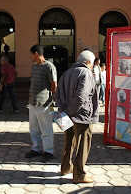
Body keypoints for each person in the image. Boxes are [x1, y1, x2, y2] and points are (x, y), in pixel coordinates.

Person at [55, 50, 99, 183]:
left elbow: (57, 95)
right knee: (82, 145)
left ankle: (66, 167)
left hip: (67, 115)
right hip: (81, 116)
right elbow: (81, 97)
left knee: (69, 142)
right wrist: (69, 111)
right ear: (88, 62)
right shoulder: (86, 73)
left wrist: (64, 111)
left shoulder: (66, 73)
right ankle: (79, 174)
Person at [26, 44, 57, 163]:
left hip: (44, 103)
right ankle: (36, 149)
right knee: (33, 128)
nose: (30, 56)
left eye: (31, 54)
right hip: (33, 102)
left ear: (36, 54)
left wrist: (54, 99)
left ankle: (48, 151)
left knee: (46, 129)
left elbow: (54, 84)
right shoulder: (34, 67)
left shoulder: (49, 67)